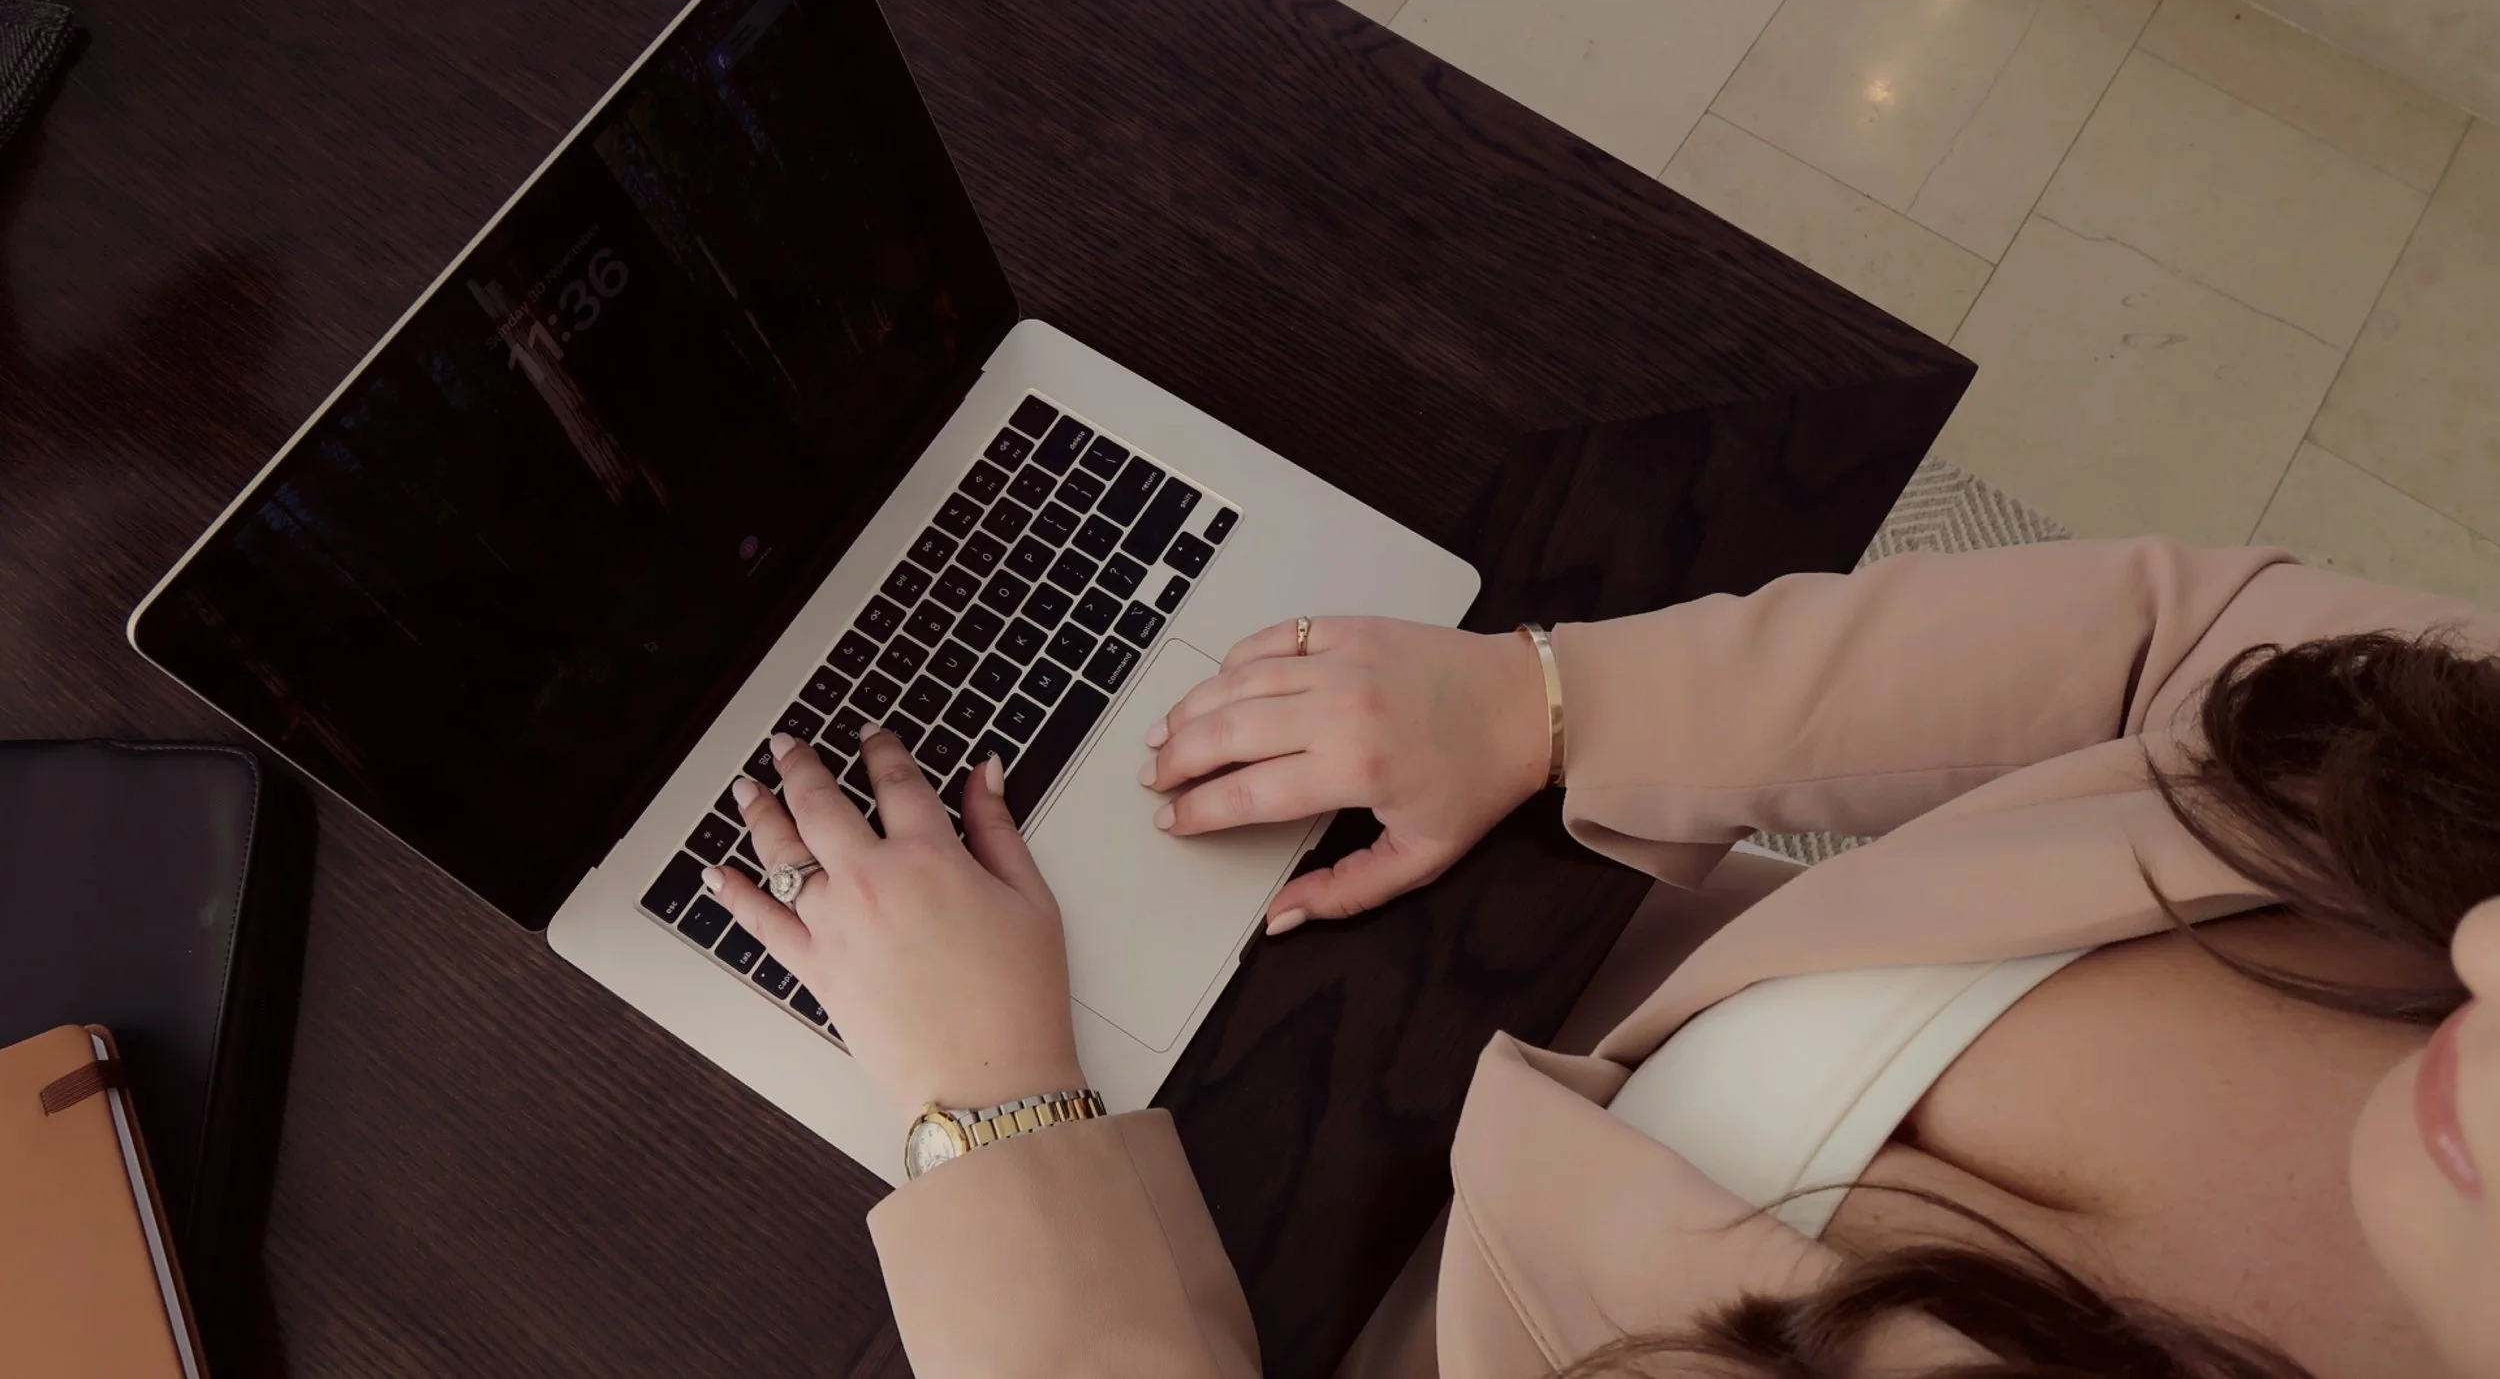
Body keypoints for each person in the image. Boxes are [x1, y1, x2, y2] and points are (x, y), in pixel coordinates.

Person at [696, 533, 2500, 1378]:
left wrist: (993, 1116)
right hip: (1567, 967)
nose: (2482, 944)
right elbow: (2196, 662)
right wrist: (1561, 702)